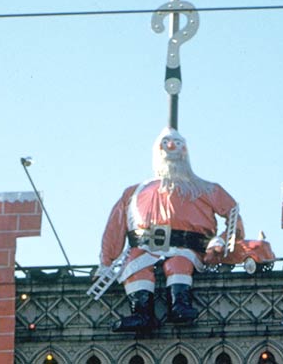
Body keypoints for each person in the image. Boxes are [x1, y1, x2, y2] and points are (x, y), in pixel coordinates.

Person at [98, 127, 244, 332]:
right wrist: (107, 261)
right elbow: (115, 226)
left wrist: (220, 241)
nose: (171, 146)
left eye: (176, 142)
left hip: (187, 247)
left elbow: (233, 214)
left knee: (179, 263)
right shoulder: (133, 192)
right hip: (144, 246)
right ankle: (141, 312)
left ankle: (180, 304)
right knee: (135, 265)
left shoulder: (205, 188)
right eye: (165, 142)